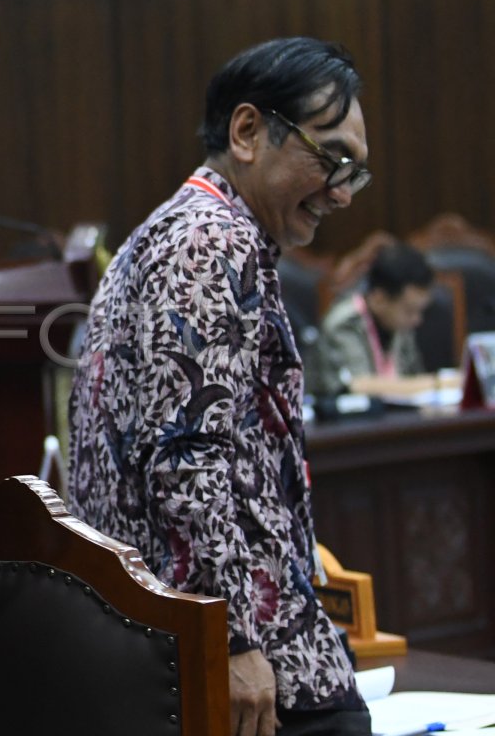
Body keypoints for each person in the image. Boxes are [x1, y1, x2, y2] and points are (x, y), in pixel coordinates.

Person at [68, 37, 372, 736]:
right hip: (208, 644)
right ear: (247, 132)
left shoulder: (183, 227)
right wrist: (229, 640)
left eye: (356, 172)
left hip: (171, 636)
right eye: (330, 159)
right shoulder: (211, 241)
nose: (342, 193)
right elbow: (187, 460)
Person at [312, 241, 434, 396]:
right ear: (379, 299)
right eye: (409, 311)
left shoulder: (397, 325)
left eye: (419, 311)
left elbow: (413, 377)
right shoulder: (345, 323)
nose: (417, 320)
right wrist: (436, 384)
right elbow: (359, 385)